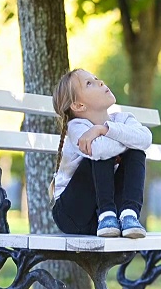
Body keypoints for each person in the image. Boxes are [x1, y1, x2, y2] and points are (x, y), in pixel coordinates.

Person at [48, 69, 151, 239]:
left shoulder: (123, 119)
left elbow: (145, 139)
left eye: (96, 79)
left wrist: (103, 129)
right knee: (100, 151)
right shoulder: (77, 127)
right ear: (78, 105)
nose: (101, 82)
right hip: (73, 214)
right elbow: (99, 150)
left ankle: (129, 215)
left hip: (109, 221)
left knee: (136, 151)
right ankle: (107, 214)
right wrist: (124, 139)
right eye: (89, 83)